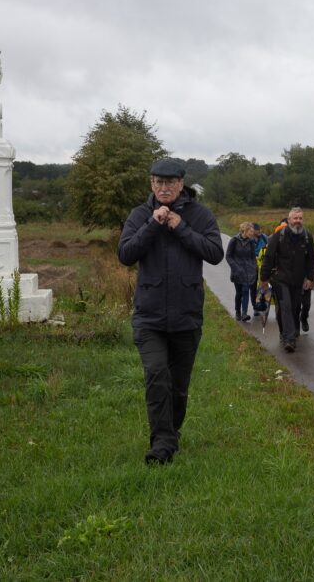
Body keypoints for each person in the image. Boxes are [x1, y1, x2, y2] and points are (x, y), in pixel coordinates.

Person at [118, 158, 224, 465]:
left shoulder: (200, 215)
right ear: (151, 184)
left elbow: (215, 253)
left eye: (170, 183)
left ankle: (170, 433)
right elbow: (125, 254)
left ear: (180, 184)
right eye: (158, 182)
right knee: (156, 375)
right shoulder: (140, 215)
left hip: (186, 315)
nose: (164, 188)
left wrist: (181, 227)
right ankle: (161, 445)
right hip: (148, 316)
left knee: (178, 387)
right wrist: (153, 224)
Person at [259, 207, 314, 352]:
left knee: (295, 307)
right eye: (295, 218)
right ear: (289, 219)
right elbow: (269, 257)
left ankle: (286, 331)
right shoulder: (278, 236)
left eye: (300, 218)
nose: (298, 221)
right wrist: (264, 278)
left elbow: (311, 259)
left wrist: (311, 278)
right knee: (285, 306)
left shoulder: (307, 236)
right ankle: (289, 339)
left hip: (298, 279)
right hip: (280, 278)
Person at [225, 222, 258, 322]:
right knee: (239, 293)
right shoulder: (234, 240)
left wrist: (254, 267)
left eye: (252, 231)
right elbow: (228, 256)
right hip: (237, 271)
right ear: (245, 230)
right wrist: (235, 267)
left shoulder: (251, 241)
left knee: (246, 290)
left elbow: (253, 257)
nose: (252, 233)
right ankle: (238, 312)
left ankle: (244, 313)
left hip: (248, 271)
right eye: (250, 231)